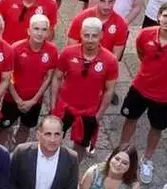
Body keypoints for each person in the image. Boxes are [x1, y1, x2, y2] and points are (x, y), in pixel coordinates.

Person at [118, 2, 167, 184]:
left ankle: (147, 159)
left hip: (164, 95)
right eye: (165, 15)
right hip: (139, 87)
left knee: (156, 128)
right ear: (158, 17)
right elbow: (141, 53)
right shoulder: (145, 34)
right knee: (130, 119)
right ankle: (121, 152)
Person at [51, 17, 120, 159]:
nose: (90, 40)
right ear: (81, 34)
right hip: (65, 107)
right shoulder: (68, 53)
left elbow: (109, 90)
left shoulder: (110, 60)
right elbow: (57, 77)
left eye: (94, 36)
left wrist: (98, 116)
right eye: (86, 35)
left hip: (89, 111)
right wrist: (53, 105)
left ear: (101, 35)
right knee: (53, 139)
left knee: (81, 145)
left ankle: (73, 168)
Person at [1, 15, 58, 145]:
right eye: (36, 28)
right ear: (29, 30)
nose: (40, 33)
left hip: (35, 101)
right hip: (12, 99)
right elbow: (9, 75)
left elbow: (48, 77)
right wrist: (17, 99)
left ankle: (18, 150)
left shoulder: (52, 50)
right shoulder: (16, 48)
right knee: (3, 127)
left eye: (44, 29)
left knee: (25, 127)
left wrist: (34, 100)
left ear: (48, 32)